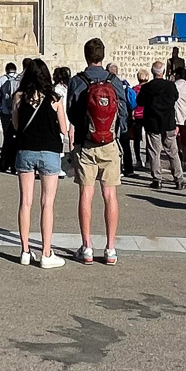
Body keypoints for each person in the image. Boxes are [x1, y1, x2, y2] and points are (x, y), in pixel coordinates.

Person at [67, 38, 128, 265]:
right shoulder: (114, 81)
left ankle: (87, 247)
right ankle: (110, 248)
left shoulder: (77, 81)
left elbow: (72, 114)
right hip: (110, 145)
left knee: (86, 194)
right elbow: (123, 113)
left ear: (86, 56)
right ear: (102, 56)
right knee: (110, 195)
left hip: (86, 144)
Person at [13, 59, 68, 269]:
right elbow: (63, 128)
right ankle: (46, 252)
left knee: (25, 202)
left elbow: (17, 125)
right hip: (49, 152)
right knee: (47, 203)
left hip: (26, 150)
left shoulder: (19, 97)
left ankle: (25, 250)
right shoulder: (55, 98)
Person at [139, 62, 184, 190]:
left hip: (153, 122)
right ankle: (179, 179)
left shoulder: (147, 87)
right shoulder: (170, 86)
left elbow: (140, 101)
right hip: (168, 122)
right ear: (163, 72)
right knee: (173, 152)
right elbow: (175, 98)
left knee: (154, 152)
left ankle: (157, 179)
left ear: (153, 72)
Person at [0, 62, 20, 174]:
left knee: (7, 138)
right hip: (17, 112)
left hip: (5, 112)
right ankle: (14, 163)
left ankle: (5, 162)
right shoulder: (19, 79)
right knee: (16, 138)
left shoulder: (2, 79)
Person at [172, 65, 186, 171]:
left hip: (174, 117)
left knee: (174, 139)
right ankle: (185, 161)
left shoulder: (173, 86)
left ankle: (176, 160)